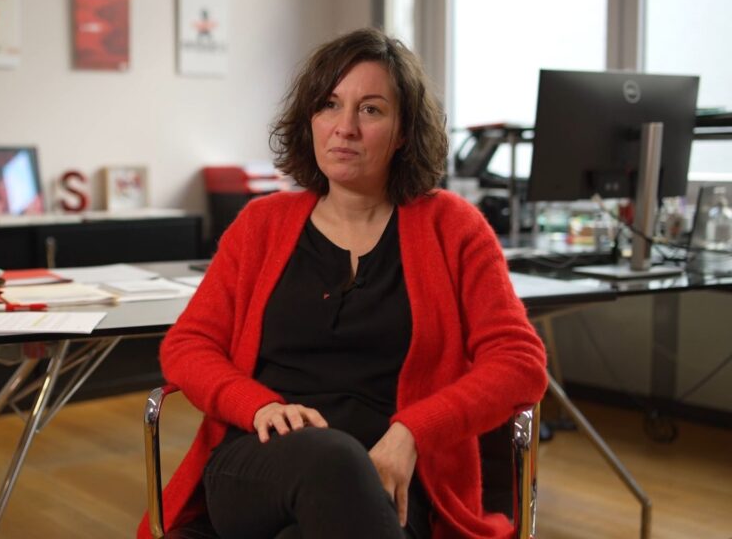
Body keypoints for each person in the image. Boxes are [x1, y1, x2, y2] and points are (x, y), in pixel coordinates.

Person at [137, 27, 547, 539]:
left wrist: (412, 432)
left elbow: (519, 364)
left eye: (370, 110)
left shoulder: (454, 228)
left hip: (394, 479)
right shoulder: (261, 224)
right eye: (329, 105)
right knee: (333, 459)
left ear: (403, 131)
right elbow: (188, 345)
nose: (345, 127)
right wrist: (257, 405)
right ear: (310, 119)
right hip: (261, 463)